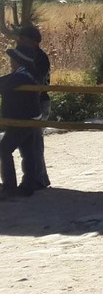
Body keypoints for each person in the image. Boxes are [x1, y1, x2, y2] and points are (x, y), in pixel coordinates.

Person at [0, 47, 43, 196]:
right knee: (27, 152)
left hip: (22, 120)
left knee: (4, 149)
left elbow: (4, 84)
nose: (10, 62)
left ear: (18, 61)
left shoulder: (21, 76)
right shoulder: (25, 74)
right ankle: (28, 185)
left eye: (12, 59)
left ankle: (9, 186)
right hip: (28, 118)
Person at [15, 25, 50, 190]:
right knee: (30, 143)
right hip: (28, 103)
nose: (19, 41)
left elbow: (37, 82)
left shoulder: (39, 58)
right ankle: (39, 178)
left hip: (38, 102)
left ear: (32, 41)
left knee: (35, 143)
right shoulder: (25, 55)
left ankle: (38, 179)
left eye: (23, 39)